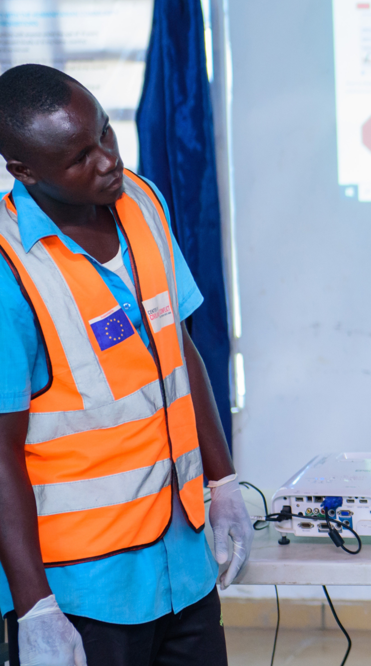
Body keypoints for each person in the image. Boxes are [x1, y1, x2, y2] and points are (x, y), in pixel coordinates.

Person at [0, 65, 252, 666]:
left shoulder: (142, 201)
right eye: (80, 156)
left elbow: (179, 348)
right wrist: (35, 608)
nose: (108, 160)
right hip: (84, 591)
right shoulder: (10, 270)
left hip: (183, 562)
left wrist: (223, 481)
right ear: (25, 172)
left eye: (107, 135)